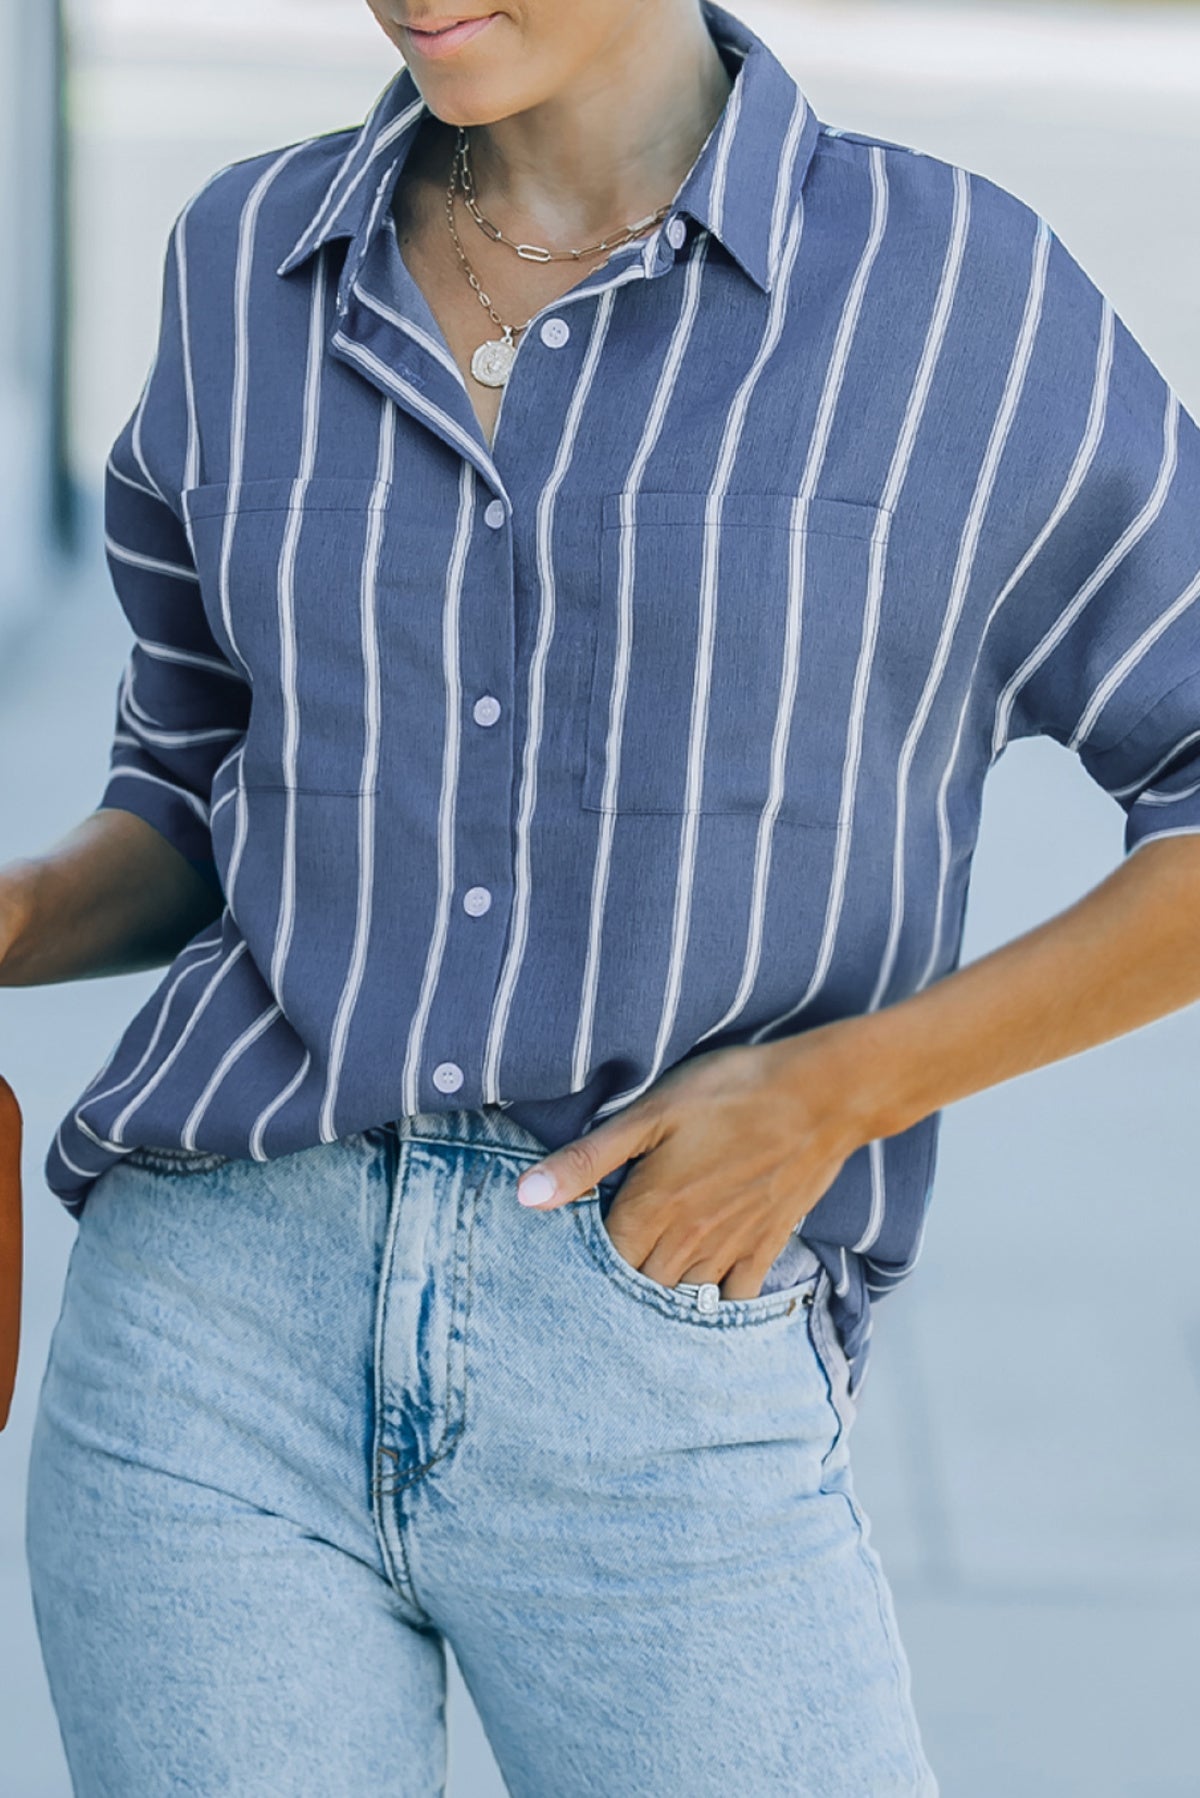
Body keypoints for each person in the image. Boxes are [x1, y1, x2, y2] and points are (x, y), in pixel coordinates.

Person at [10, 0, 1200, 1790]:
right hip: (207, 1344)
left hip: (659, 1356)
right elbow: (194, 793)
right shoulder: (241, 262)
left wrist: (836, 1092)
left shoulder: (960, 298)